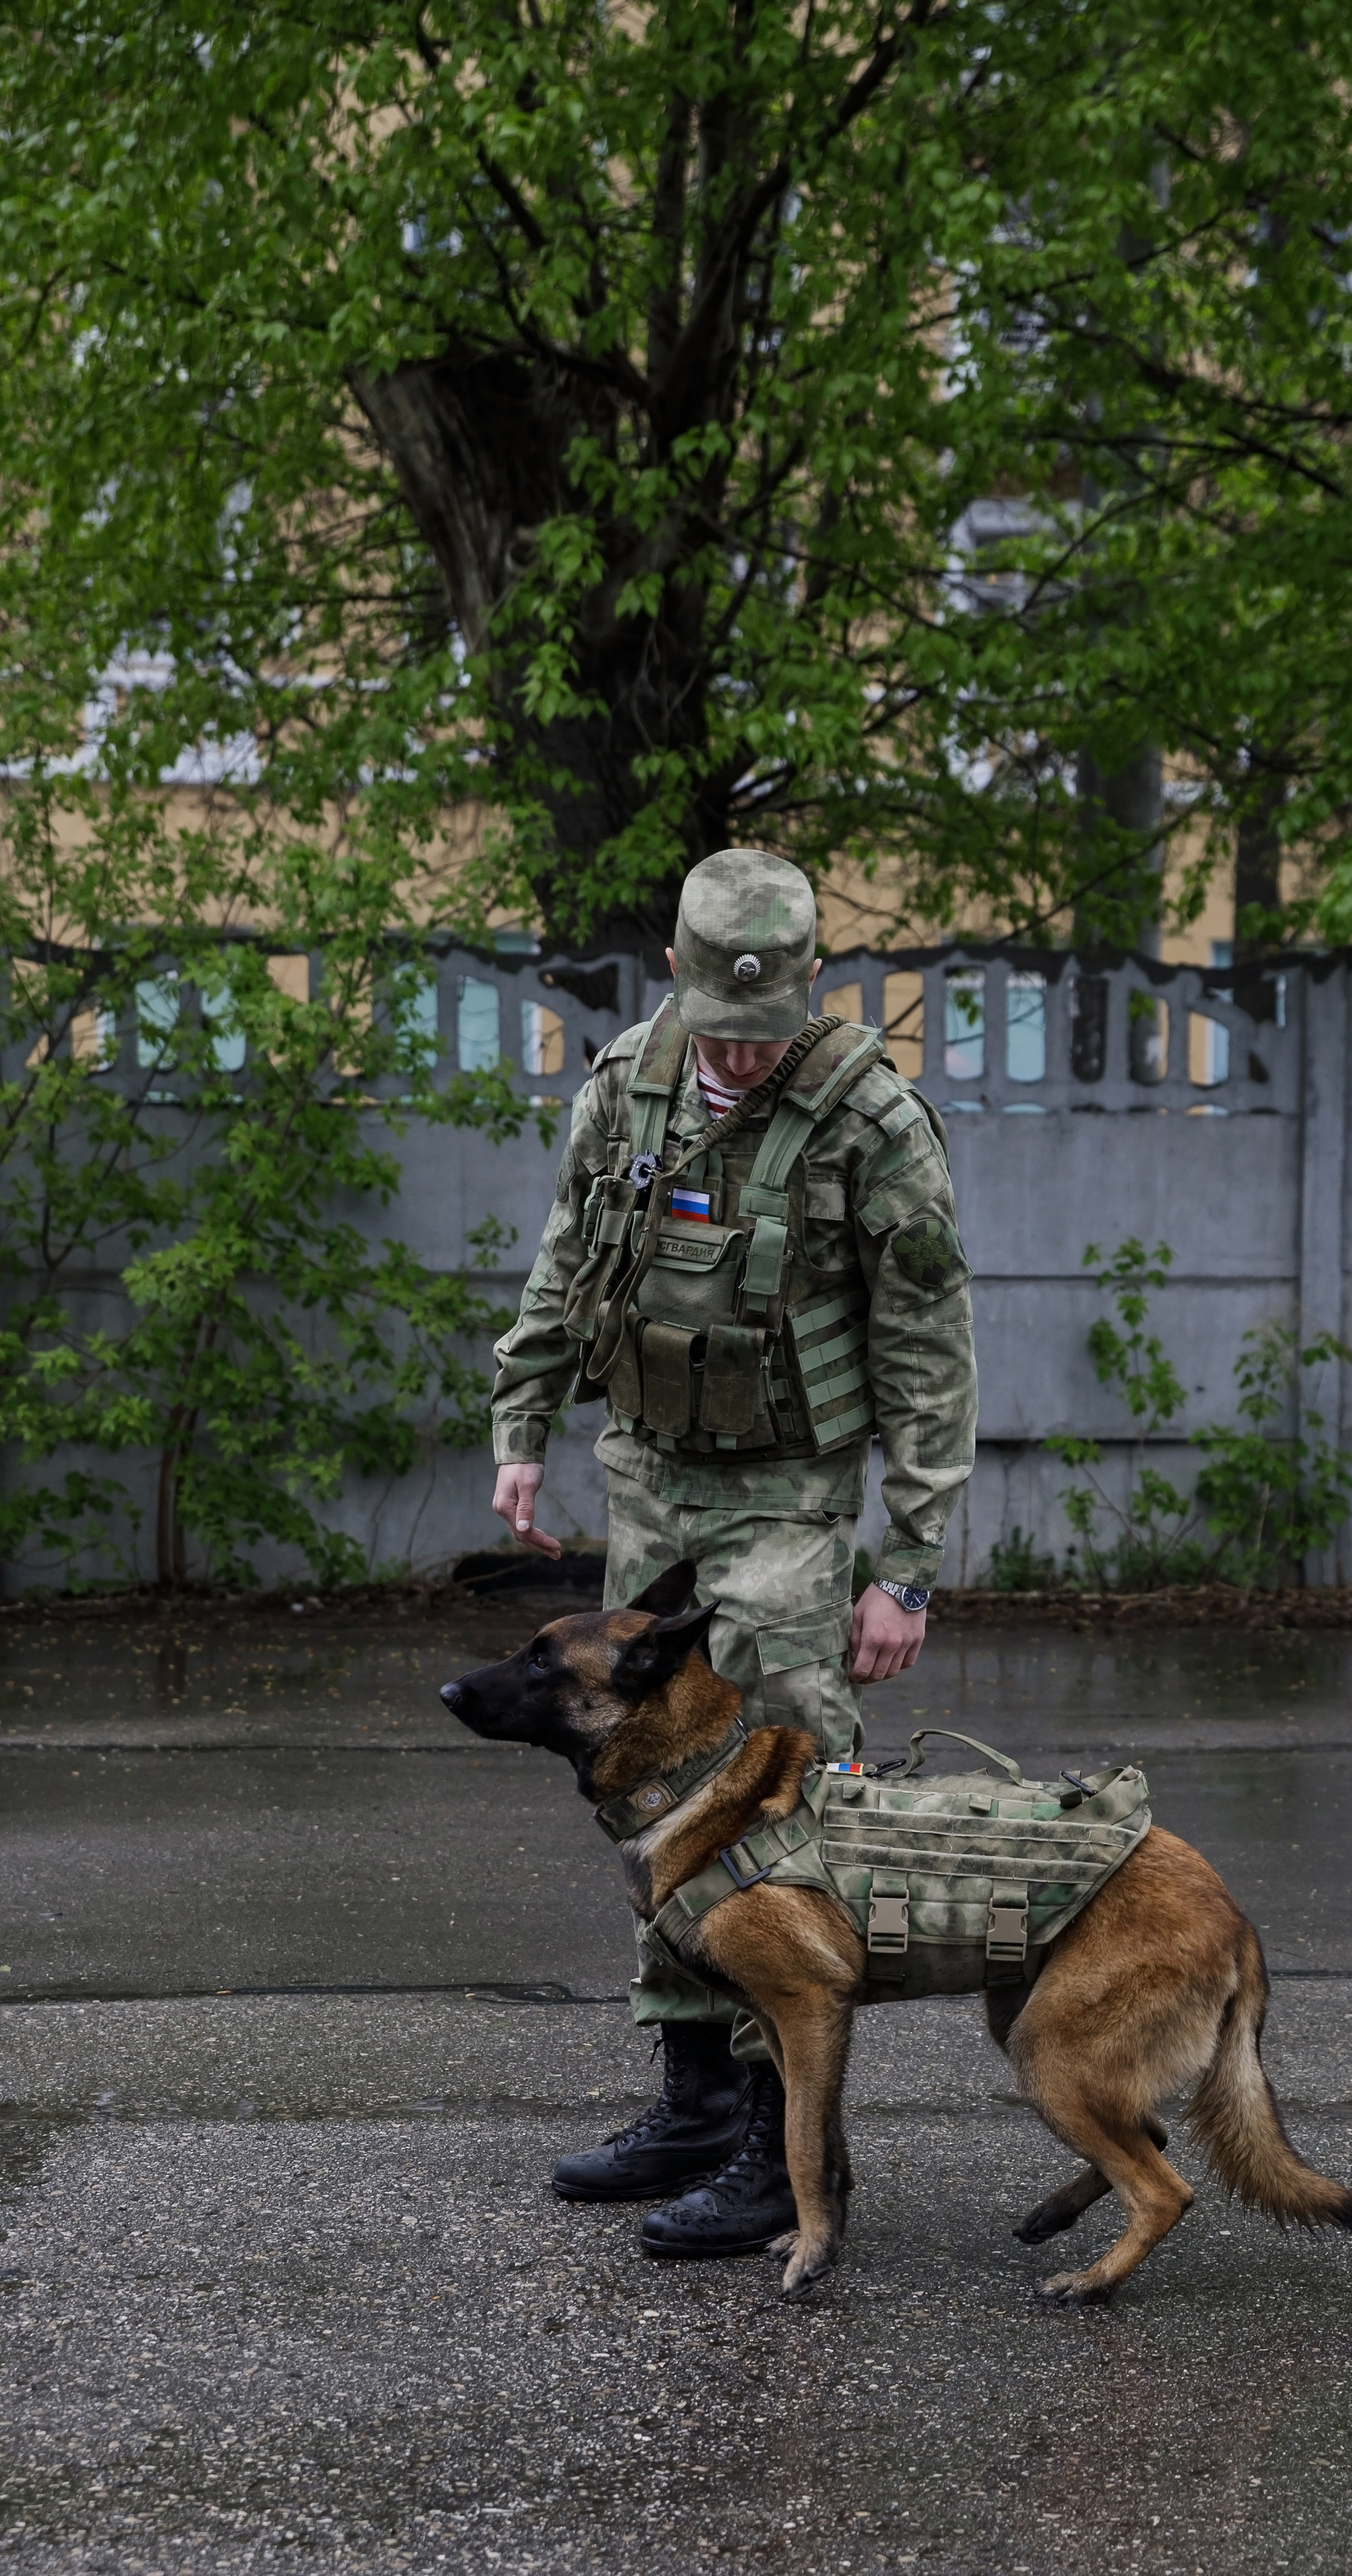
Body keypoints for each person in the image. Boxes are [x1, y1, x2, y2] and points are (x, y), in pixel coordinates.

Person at [487, 849, 977, 2257]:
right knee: (644, 1779)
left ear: (809, 989)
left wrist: (911, 1562)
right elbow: (568, 1255)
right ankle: (692, 2099)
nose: (746, 1050)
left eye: (767, 1025)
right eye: (723, 1021)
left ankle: (783, 2151)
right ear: (682, 985)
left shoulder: (870, 1120)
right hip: (649, 1475)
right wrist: (522, 1417)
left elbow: (931, 1345)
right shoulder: (629, 1083)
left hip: (786, 1494)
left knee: (772, 1792)